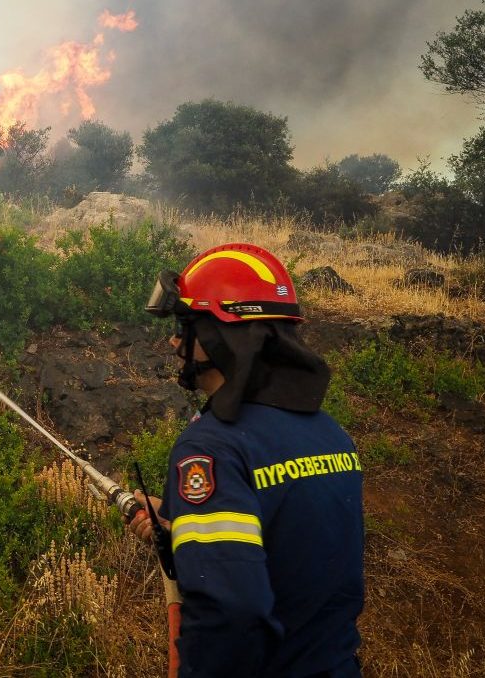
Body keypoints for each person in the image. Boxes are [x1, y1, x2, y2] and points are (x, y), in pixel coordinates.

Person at [128, 243, 364, 678]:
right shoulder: (331, 436)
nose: (174, 341)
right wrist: (184, 527)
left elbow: (231, 614)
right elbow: (286, 546)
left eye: (184, 326)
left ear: (220, 337)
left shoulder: (210, 450)